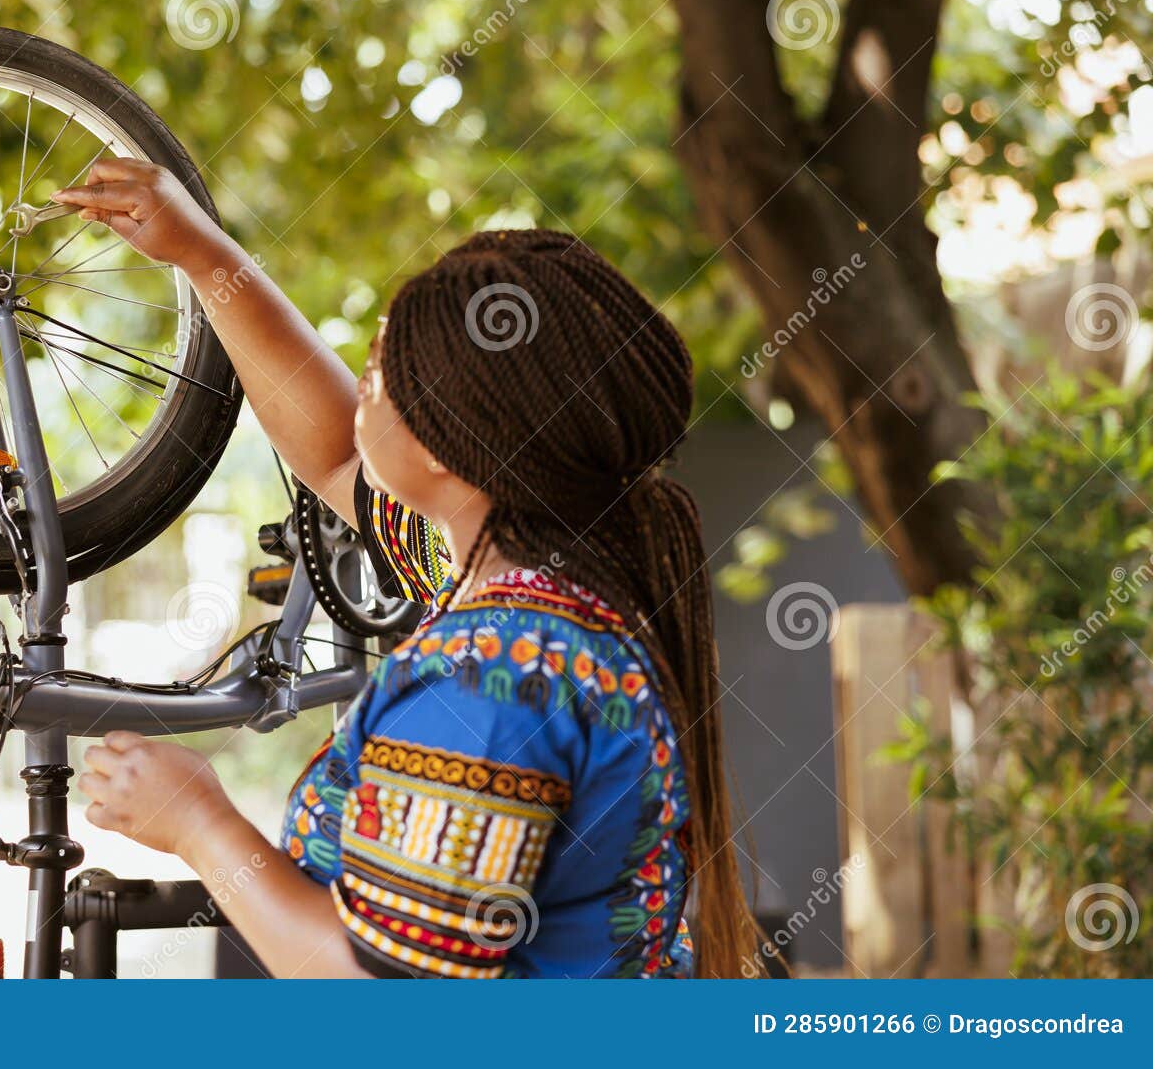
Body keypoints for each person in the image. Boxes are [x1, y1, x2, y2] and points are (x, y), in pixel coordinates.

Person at [51, 159, 761, 978]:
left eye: (385, 373)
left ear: (448, 452)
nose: (363, 389)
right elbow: (328, 452)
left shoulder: (489, 682)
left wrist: (200, 825)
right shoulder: (538, 583)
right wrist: (204, 256)